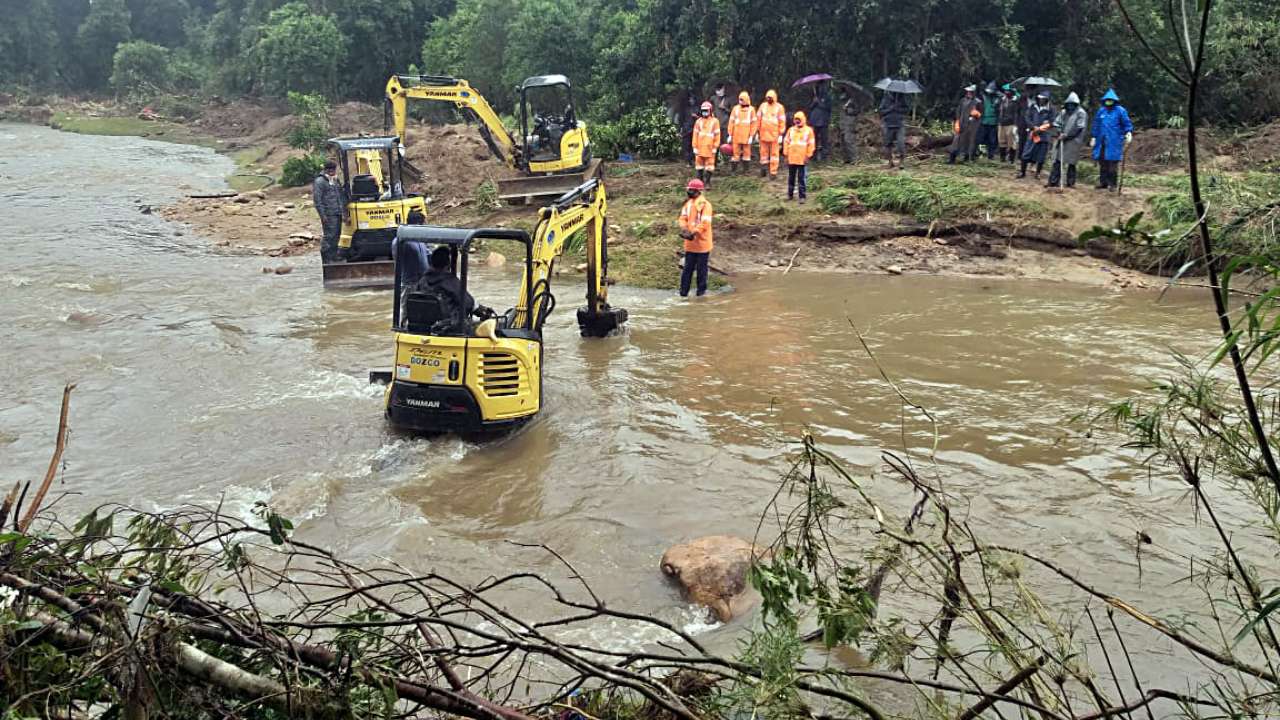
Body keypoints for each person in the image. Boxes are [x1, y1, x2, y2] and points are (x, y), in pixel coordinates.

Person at [407, 245, 477, 328]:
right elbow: (468, 303)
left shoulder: (422, 281)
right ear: (448, 264)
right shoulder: (450, 281)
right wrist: (479, 309)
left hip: (425, 325)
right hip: (448, 326)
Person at [1091, 88, 1133, 191]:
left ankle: (1112, 184)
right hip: (1102, 141)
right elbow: (1096, 124)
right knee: (1103, 162)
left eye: (1110, 100)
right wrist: (1094, 136)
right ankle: (1103, 182)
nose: (1108, 102)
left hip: (1114, 141)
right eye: (1107, 100)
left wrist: (1128, 132)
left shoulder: (1120, 111)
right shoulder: (1102, 111)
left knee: (1112, 163)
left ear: (1114, 101)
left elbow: (1126, 123)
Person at [678, 178, 714, 297]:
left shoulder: (705, 205)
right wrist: (684, 229)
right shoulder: (688, 204)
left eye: (691, 190)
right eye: (689, 190)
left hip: (702, 244)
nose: (689, 192)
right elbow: (683, 218)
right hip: (690, 244)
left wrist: (694, 232)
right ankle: (683, 293)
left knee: (701, 271)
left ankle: (701, 293)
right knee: (687, 270)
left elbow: (705, 223)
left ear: (698, 191)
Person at [1046, 92, 1088, 188]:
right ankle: (1053, 181)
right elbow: (1057, 123)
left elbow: (1079, 127)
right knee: (1058, 160)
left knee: (1071, 162)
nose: (1070, 107)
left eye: (1072, 105)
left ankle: (1070, 182)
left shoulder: (1081, 113)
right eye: (1069, 105)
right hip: (1062, 139)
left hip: (1074, 141)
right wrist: (1059, 131)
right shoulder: (1063, 112)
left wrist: (1067, 135)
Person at [312, 159, 345, 262]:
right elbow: (317, 200)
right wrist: (323, 215)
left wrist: (343, 212)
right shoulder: (320, 182)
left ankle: (334, 256)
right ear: (325, 170)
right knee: (329, 236)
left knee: (337, 235)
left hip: (337, 213)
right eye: (329, 169)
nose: (331, 171)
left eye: (333, 169)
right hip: (328, 214)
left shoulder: (335, 180)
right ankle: (326, 259)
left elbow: (340, 196)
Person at [1019, 91, 1054, 179]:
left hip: (1044, 135)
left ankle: (1038, 173)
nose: (1041, 100)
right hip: (1033, 133)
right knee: (1026, 152)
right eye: (1040, 98)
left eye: (1043, 99)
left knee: (1041, 155)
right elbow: (1027, 117)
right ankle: (1022, 172)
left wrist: (1042, 128)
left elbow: (1052, 121)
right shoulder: (1033, 107)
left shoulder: (1051, 109)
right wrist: (1033, 127)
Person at [782, 111, 816, 202]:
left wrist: (808, 156)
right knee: (791, 178)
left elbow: (811, 145)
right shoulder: (791, 130)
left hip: (802, 159)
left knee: (802, 179)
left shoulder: (809, 131)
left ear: (803, 119)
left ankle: (802, 197)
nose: (797, 121)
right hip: (792, 158)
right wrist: (786, 155)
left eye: (798, 119)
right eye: (795, 119)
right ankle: (790, 195)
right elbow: (786, 142)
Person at [948, 85, 982, 164]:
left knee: (970, 142)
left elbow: (981, 114)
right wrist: (957, 122)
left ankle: (968, 158)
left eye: (970, 92)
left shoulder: (978, 102)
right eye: (968, 92)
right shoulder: (962, 100)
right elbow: (958, 111)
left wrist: (977, 114)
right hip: (961, 123)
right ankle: (952, 159)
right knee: (956, 140)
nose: (969, 93)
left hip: (972, 125)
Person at [757, 89, 787, 178]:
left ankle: (773, 172)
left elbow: (782, 121)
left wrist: (781, 134)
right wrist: (757, 132)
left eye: (770, 98)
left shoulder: (779, 107)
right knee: (763, 153)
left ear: (774, 98)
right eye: (768, 98)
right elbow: (758, 119)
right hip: (763, 134)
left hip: (775, 135)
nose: (769, 99)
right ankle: (763, 169)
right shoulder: (762, 106)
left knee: (774, 155)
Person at [727, 90, 758, 174]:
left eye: (741, 99)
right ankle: (733, 171)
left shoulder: (751, 110)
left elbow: (754, 123)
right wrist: (730, 134)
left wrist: (752, 136)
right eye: (739, 99)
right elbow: (731, 122)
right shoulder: (735, 109)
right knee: (735, 153)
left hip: (746, 136)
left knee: (747, 154)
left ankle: (746, 171)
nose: (740, 101)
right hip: (736, 136)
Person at [692, 101, 721, 187]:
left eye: (706, 110)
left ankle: (707, 182)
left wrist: (715, 146)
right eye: (703, 110)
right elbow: (695, 135)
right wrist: (695, 147)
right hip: (700, 148)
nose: (704, 112)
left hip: (710, 149)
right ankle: (700, 183)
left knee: (710, 167)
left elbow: (717, 135)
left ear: (710, 110)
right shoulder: (698, 122)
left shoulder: (715, 121)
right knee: (699, 166)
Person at [878, 91, 908, 168]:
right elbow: (881, 111)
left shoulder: (901, 98)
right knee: (888, 144)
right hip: (888, 124)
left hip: (899, 124)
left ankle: (902, 162)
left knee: (901, 144)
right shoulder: (885, 99)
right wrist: (890, 109)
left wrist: (898, 109)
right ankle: (890, 162)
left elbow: (906, 109)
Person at [808, 81, 833, 161]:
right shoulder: (813, 96)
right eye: (818, 87)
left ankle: (824, 158)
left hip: (823, 121)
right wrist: (813, 102)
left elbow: (828, 108)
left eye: (821, 86)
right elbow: (809, 108)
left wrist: (819, 102)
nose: (820, 88)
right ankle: (813, 156)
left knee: (824, 140)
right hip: (814, 121)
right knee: (814, 140)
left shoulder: (827, 97)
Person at [838, 87, 862, 164]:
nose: (842, 95)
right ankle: (846, 159)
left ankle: (854, 159)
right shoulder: (843, 101)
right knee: (843, 141)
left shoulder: (853, 100)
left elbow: (857, 111)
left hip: (850, 122)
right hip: (842, 122)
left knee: (849, 140)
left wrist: (847, 109)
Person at [997, 84, 1020, 163]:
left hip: (1011, 123)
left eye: (1008, 91)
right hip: (1001, 123)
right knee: (1001, 140)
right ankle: (1002, 158)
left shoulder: (1015, 101)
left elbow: (1016, 113)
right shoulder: (1002, 100)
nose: (1006, 92)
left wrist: (1016, 125)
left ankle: (1011, 159)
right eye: (1005, 91)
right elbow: (999, 110)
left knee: (1011, 142)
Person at [978, 82, 1000, 160]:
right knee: (982, 139)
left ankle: (991, 155)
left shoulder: (997, 98)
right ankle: (982, 153)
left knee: (992, 140)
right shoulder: (984, 97)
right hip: (984, 121)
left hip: (993, 122)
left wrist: (997, 93)